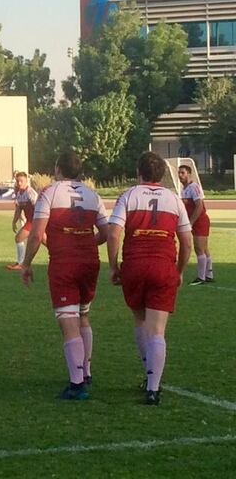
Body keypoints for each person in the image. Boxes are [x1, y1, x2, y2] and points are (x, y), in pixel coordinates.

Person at [20, 152, 108, 400]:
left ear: (57, 168)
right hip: (90, 262)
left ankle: (77, 384)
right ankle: (86, 371)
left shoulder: (50, 192)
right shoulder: (92, 194)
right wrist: (85, 242)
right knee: (83, 316)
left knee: (68, 322)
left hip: (64, 264)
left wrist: (26, 263)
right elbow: (106, 231)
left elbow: (36, 235)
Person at [108, 152, 192, 405]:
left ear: (138, 171)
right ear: (162, 173)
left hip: (135, 265)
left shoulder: (129, 195)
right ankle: (153, 389)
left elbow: (113, 234)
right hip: (162, 265)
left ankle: (149, 376)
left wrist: (113, 266)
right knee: (158, 330)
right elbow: (186, 242)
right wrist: (179, 271)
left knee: (140, 322)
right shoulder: (173, 198)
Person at [178, 165, 213, 285]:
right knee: (204, 249)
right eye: (179, 173)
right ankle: (208, 274)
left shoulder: (194, 187)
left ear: (189, 174)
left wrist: (191, 222)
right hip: (194, 221)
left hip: (200, 221)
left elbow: (199, 206)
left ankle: (201, 277)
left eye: (182, 173)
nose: (180, 175)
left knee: (199, 248)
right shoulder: (184, 189)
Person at [7, 171, 39, 271]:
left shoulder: (30, 192)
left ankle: (21, 263)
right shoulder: (19, 193)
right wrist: (14, 221)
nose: (19, 183)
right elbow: (19, 209)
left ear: (26, 181)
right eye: (17, 181)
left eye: (21, 181)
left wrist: (40, 223)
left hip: (35, 221)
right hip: (31, 221)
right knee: (46, 242)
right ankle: (61, 257)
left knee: (19, 238)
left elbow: (38, 207)